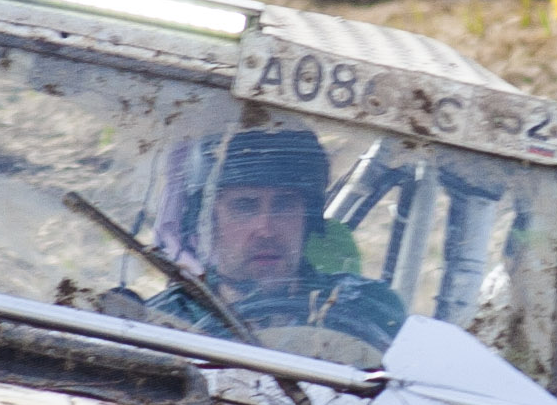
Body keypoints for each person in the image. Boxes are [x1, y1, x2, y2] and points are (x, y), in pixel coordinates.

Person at [153, 127, 407, 353]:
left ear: (308, 219)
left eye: (284, 204)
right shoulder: (164, 321)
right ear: (207, 222)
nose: (266, 230)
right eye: (245, 206)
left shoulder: (368, 309)